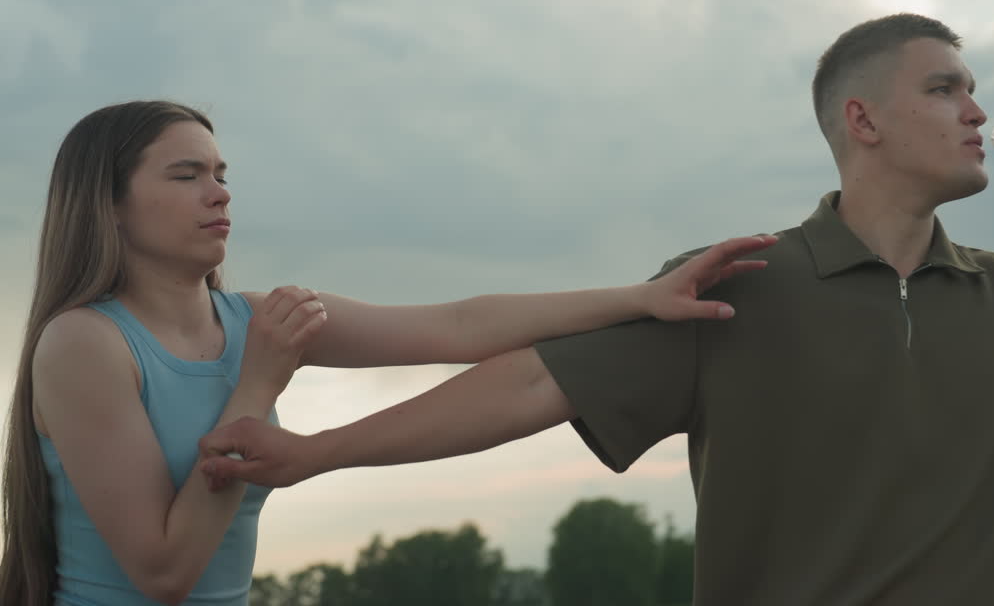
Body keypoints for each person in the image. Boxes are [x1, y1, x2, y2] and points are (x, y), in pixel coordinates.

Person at [200, 14, 994, 605]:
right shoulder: (736, 282)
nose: (977, 110)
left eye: (973, 88)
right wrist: (317, 454)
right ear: (861, 120)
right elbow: (528, 379)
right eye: (943, 88)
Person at [0, 100, 776, 606]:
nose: (221, 192)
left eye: (223, 173)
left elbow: (460, 328)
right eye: (187, 174)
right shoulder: (84, 344)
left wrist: (643, 298)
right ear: (109, 203)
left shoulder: (254, 318)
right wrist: (259, 381)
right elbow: (163, 572)